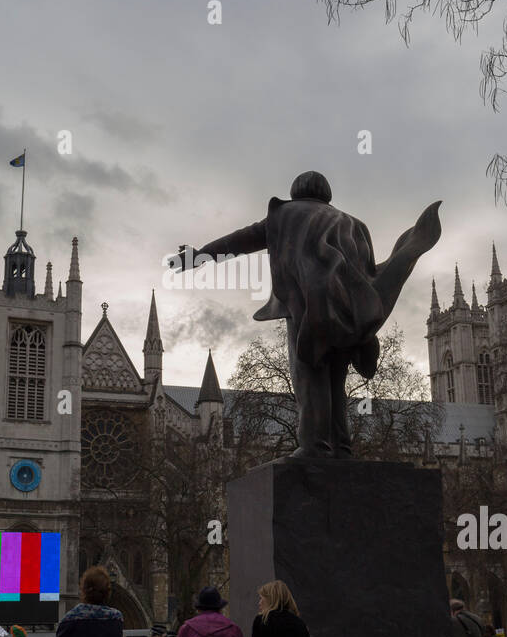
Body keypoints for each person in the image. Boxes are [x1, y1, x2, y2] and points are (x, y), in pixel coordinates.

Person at [174, 172, 441, 458]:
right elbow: (367, 272)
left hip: (309, 309)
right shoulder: (354, 224)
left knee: (309, 374)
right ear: (326, 194)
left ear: (295, 191)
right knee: (337, 380)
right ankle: (341, 445)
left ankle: (314, 445)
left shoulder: (286, 214)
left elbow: (241, 241)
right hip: (347, 313)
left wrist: (199, 256)